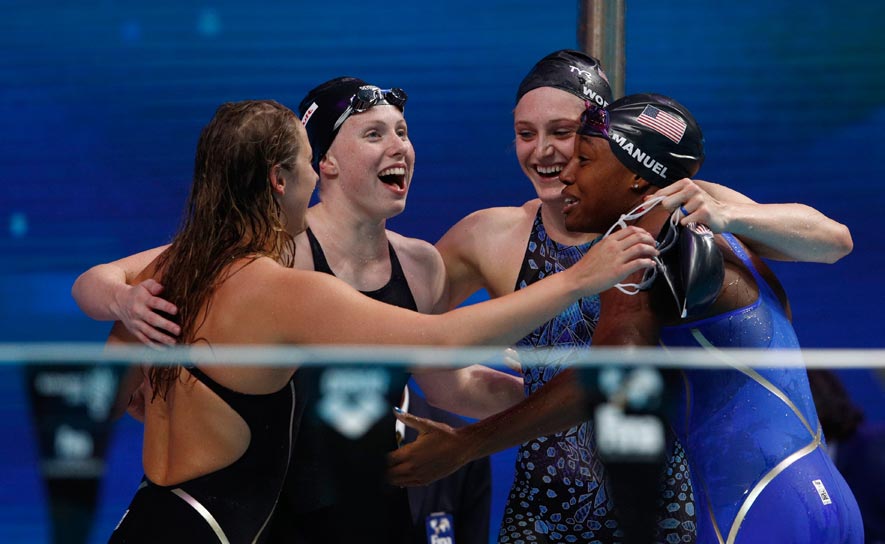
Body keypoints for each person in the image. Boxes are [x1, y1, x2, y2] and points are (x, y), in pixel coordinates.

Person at [95, 98, 659, 543]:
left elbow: (101, 402)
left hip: (146, 517)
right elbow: (441, 337)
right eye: (307, 163)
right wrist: (580, 280)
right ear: (278, 179)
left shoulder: (181, 268)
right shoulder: (281, 288)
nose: (316, 177)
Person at [393, 49, 854, 543]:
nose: (550, 155)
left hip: (687, 506)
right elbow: (410, 337)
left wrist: (465, 445)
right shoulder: (492, 235)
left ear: (613, 146)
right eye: (526, 134)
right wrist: (512, 393)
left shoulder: (668, 216)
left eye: (570, 140)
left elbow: (835, 240)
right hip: (559, 507)